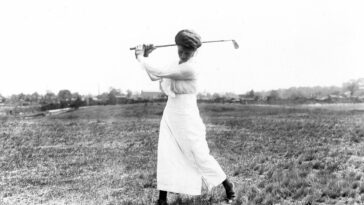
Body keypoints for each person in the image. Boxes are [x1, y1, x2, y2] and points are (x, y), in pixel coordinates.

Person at [134, 29, 236, 205]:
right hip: (171, 111)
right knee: (166, 151)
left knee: (198, 153)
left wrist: (141, 57)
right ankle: (162, 199)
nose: (183, 54)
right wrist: (144, 58)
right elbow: (153, 76)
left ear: (195, 51)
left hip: (187, 113)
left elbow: (157, 71)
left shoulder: (190, 67)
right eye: (180, 50)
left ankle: (229, 188)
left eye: (187, 52)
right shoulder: (176, 63)